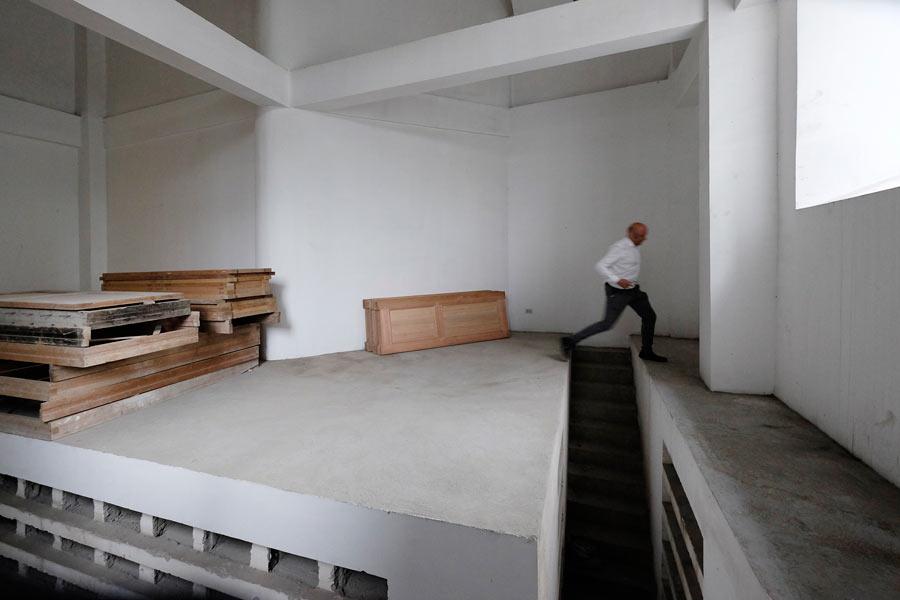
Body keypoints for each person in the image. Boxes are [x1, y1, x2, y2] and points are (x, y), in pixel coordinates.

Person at [560, 222, 667, 362]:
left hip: (633, 290)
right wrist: (617, 280)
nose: (644, 239)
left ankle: (646, 351)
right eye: (640, 236)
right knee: (607, 324)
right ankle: (569, 341)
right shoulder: (619, 248)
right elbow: (600, 266)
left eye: (644, 235)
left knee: (649, 316)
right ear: (631, 234)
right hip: (618, 293)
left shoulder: (635, 246)